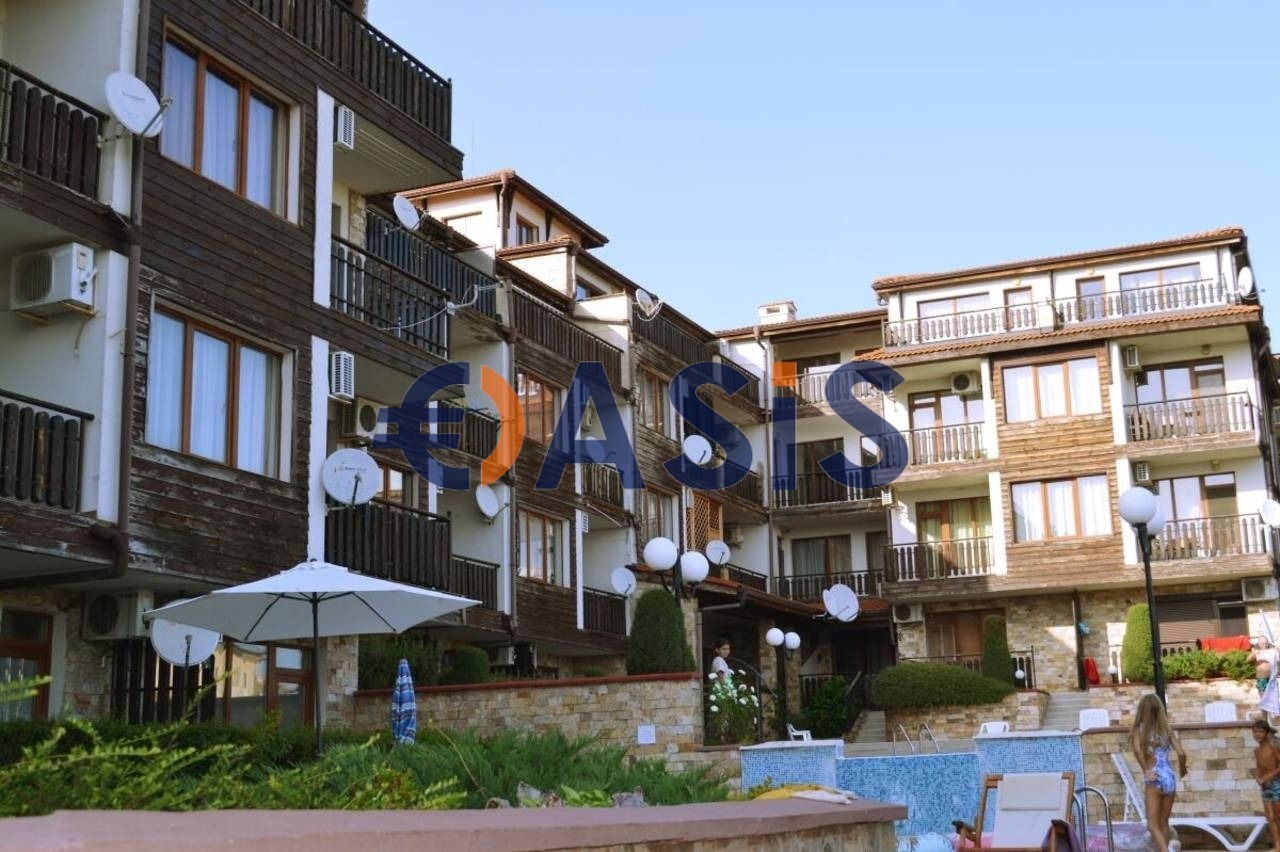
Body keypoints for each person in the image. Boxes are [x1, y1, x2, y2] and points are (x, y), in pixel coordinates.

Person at [1130, 693, 1187, 852]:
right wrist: (1182, 768)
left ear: (1142, 710)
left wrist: (1146, 770)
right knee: (1163, 823)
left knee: (1152, 825)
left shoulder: (1139, 730)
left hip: (1155, 777)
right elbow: (1181, 753)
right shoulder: (1167, 730)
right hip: (1169, 778)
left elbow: (1137, 751)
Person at [1252, 718, 1280, 852]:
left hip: (1276, 784)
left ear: (1267, 733)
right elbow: (1259, 767)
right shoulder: (1256, 750)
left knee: (1278, 816)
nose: (1257, 734)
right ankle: (1278, 846)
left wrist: (1269, 776)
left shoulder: (1273, 747)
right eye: (1255, 731)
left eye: (1260, 731)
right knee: (1270, 817)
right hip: (1265, 786)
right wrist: (1258, 777)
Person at [1250, 637, 1279, 704]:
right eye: (1262, 643)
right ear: (1259, 643)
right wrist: (1254, 654)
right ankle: (1264, 710)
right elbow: (1248, 660)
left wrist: (1278, 650)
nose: (1264, 645)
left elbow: (1278, 660)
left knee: (1274, 697)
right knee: (1263, 697)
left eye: (1266, 643)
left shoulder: (1272, 651)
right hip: (1262, 677)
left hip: (1272, 677)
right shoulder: (1256, 651)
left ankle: (1274, 710)